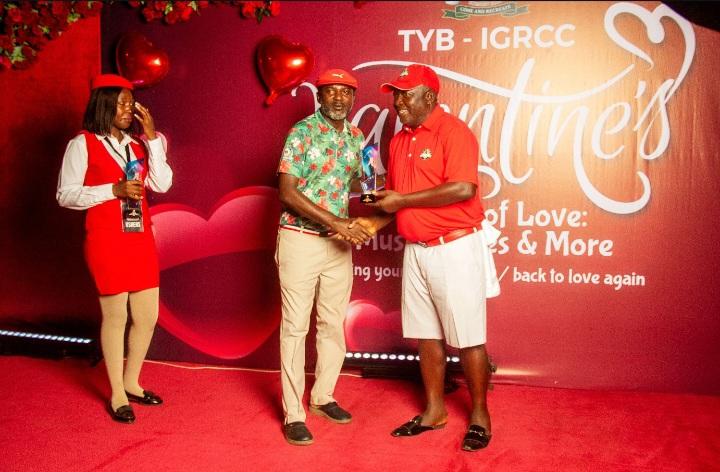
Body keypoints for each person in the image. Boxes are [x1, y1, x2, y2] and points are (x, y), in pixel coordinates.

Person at [354, 64, 500, 452]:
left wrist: (401, 199)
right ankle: (435, 410)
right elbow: (398, 198)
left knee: (468, 337)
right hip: (416, 250)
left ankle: (480, 415)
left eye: (407, 94)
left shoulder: (454, 131)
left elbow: (463, 188)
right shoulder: (399, 140)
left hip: (455, 247)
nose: (398, 102)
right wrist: (370, 222)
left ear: (430, 97)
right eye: (396, 94)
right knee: (426, 335)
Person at [57, 74, 173, 424]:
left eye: (131, 103)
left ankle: (133, 382)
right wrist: (113, 190)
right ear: (103, 104)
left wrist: (152, 139)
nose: (128, 109)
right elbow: (65, 195)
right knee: (116, 316)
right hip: (106, 238)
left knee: (147, 316)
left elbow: (163, 184)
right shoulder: (82, 144)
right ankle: (118, 393)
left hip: (139, 237)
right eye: (122, 103)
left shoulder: (139, 145)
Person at [275, 68, 374, 446]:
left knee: (332, 323)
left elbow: (360, 182)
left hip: (338, 244)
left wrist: (375, 187)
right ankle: (293, 413)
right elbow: (287, 191)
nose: (338, 98)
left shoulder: (356, 137)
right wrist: (336, 220)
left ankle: (322, 397)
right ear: (319, 96)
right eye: (331, 91)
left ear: (354, 98)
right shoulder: (301, 133)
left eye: (345, 92)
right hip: (300, 240)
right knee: (295, 327)